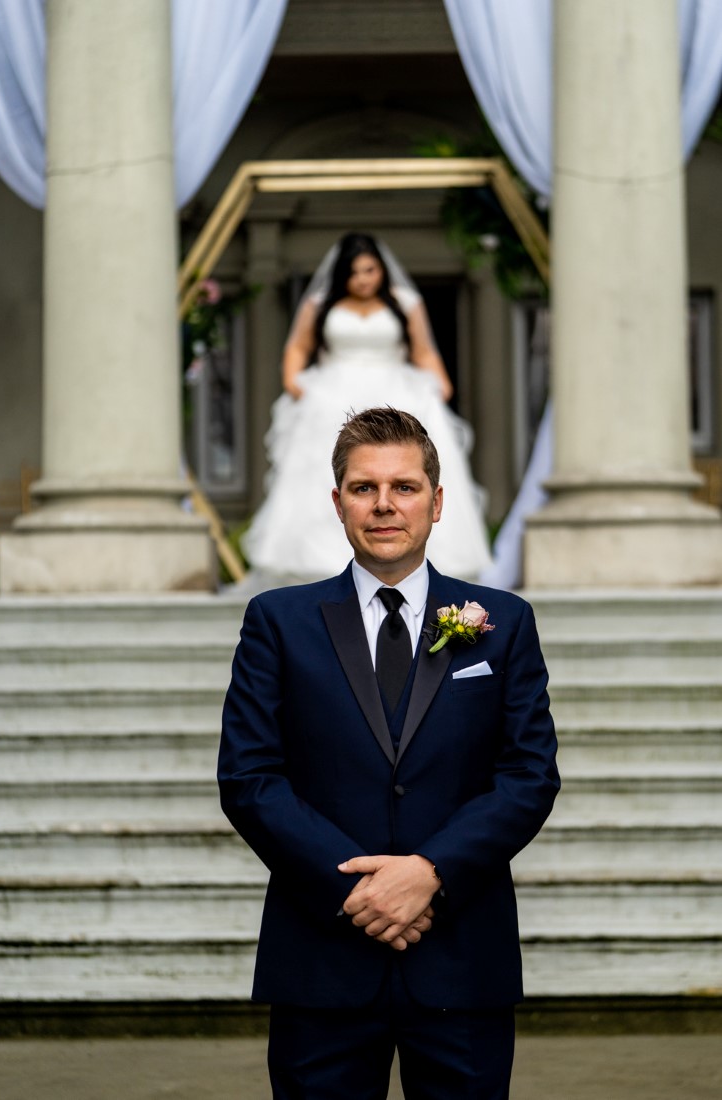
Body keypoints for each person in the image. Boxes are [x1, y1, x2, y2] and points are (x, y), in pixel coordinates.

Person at [219, 407, 560, 1099]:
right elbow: (250, 778)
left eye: (403, 487)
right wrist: (359, 889)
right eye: (362, 487)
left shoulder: (502, 622)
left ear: (436, 503)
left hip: (461, 958)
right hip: (321, 957)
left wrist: (430, 872)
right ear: (337, 501)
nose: (382, 505)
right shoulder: (278, 621)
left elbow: (528, 775)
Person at [242, 233, 493, 580]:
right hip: (331, 395)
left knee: (409, 466)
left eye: (370, 270)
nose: (363, 279)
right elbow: (298, 347)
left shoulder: (404, 302)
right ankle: (320, 563)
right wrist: (293, 382)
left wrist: (440, 383)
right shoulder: (320, 303)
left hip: (397, 389)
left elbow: (423, 350)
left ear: (382, 269)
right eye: (355, 272)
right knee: (329, 473)